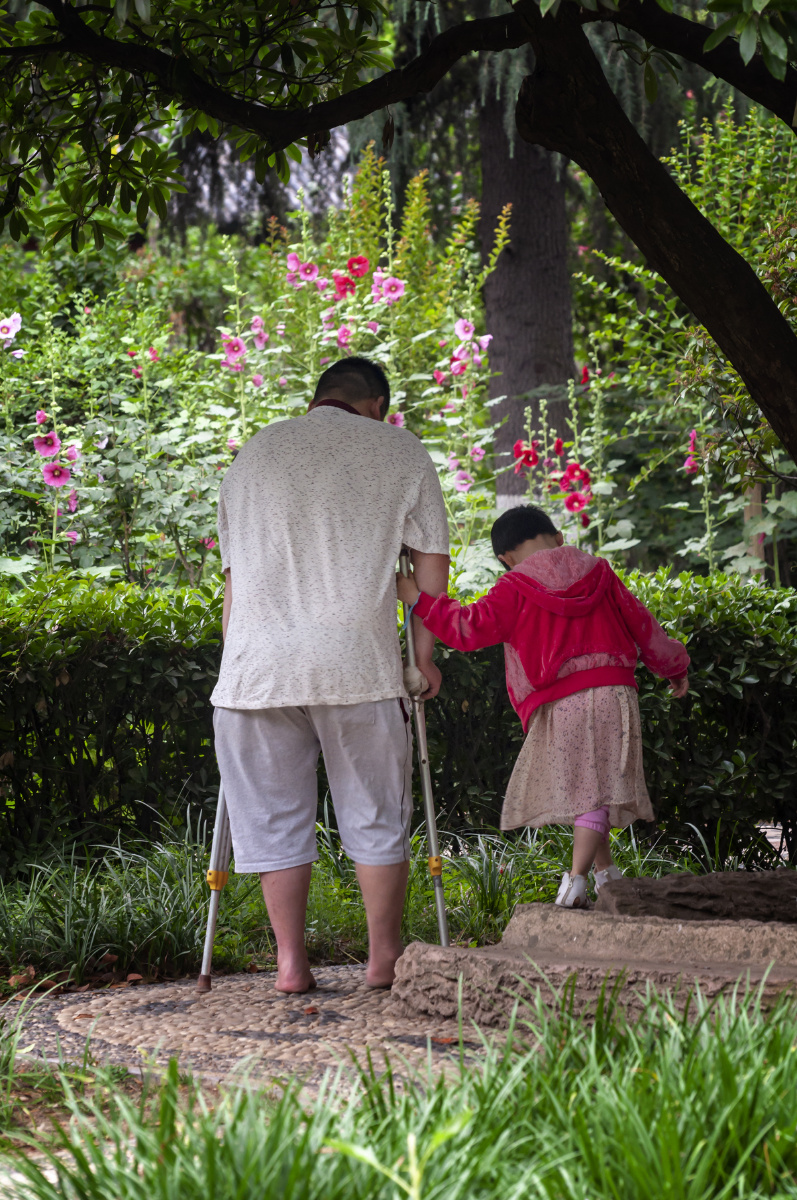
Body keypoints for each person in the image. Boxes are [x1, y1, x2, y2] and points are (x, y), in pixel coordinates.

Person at [212, 357, 450, 991]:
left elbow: (233, 580)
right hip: (357, 668)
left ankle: (291, 964)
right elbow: (430, 569)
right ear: (376, 403)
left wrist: (235, 663)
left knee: (271, 817)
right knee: (375, 815)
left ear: (319, 397)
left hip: (255, 673)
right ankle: (382, 960)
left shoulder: (255, 453)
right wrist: (423, 658)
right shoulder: (400, 450)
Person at [396, 504, 689, 908]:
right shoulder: (600, 573)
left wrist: (419, 599)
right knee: (593, 789)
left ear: (504, 558)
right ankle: (607, 880)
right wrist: (675, 666)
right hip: (614, 695)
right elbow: (644, 625)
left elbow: (467, 628)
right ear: (558, 537)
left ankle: (574, 884)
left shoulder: (513, 587)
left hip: (562, 703)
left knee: (589, 791)